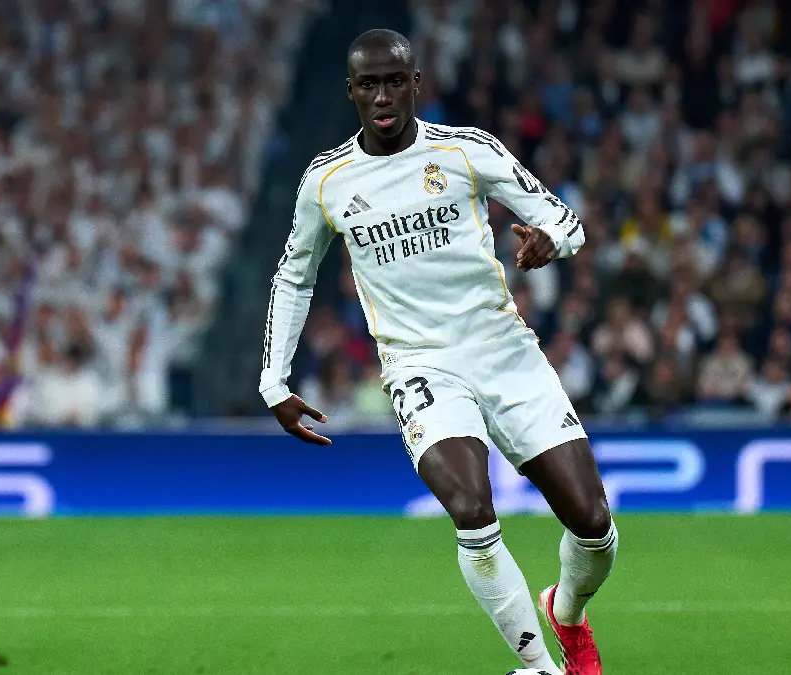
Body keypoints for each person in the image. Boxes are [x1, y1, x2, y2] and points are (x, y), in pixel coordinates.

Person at [259, 29, 616, 675]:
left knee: (593, 523)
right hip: (420, 365)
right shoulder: (327, 181)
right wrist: (274, 379)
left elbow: (565, 217)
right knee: (471, 507)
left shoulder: (465, 150)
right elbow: (294, 275)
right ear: (351, 92)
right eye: (368, 84)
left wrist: (550, 243)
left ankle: (565, 611)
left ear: (416, 83)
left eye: (395, 80)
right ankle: (541, 666)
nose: (383, 95)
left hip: (504, 351)